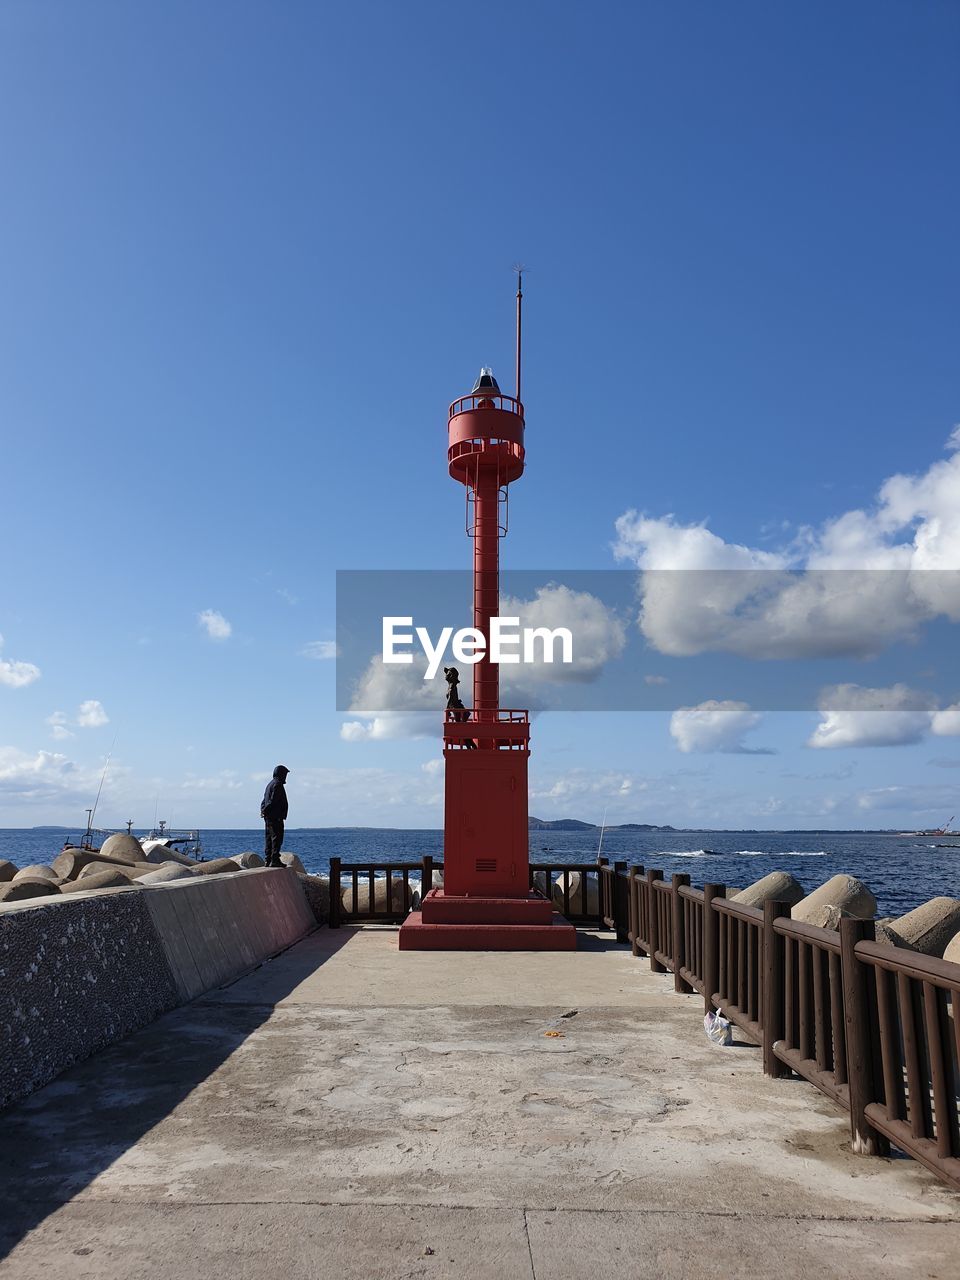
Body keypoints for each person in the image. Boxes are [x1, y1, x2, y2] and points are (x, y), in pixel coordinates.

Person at [260, 764, 290, 868]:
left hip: (269, 816)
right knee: (277, 838)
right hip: (275, 816)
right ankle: (274, 859)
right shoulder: (277, 784)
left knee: (269, 837)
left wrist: (263, 810)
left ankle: (268, 860)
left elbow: (264, 800)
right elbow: (273, 800)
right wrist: (266, 810)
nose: (285, 777)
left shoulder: (270, 784)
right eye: (285, 774)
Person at [443, 667, 476, 748]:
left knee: (461, 731)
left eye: (447, 674)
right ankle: (472, 748)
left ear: (451, 676)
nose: (445, 676)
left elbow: (450, 698)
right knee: (462, 732)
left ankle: (472, 748)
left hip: (459, 712)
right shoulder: (451, 685)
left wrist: (447, 710)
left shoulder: (452, 686)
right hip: (458, 712)